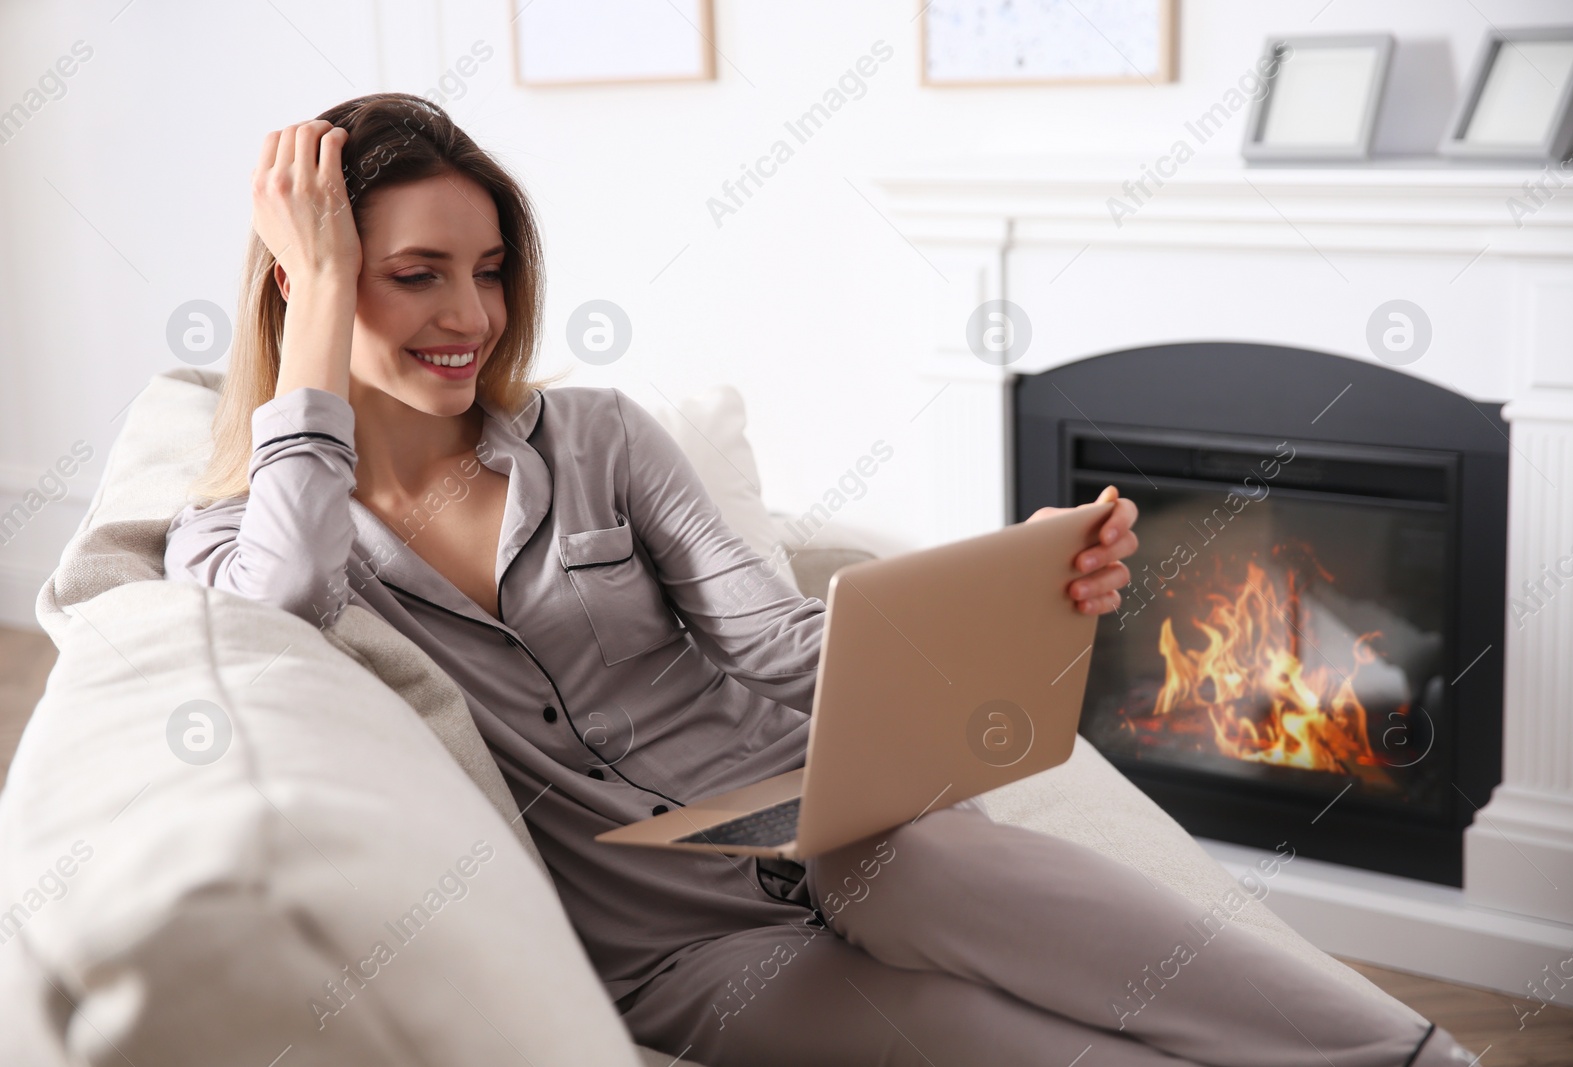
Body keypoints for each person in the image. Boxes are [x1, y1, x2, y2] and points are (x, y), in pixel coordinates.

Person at [164, 93, 1474, 1067]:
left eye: (493, 270)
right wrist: (322, 316)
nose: (474, 314)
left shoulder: (599, 435)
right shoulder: (243, 532)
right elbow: (269, 630)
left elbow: (781, 640)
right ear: (311, 284)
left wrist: (1019, 598)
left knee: (934, 876)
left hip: (857, 836)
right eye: (415, 276)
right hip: (683, 956)